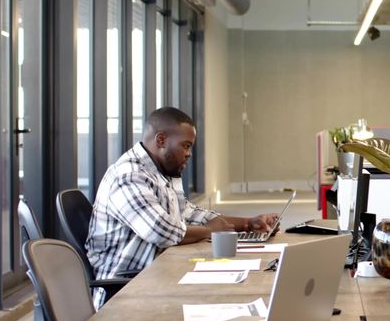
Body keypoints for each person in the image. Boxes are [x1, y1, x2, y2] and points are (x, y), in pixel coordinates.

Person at [87, 107, 279, 308]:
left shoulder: (161, 173)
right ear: (161, 140)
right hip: (127, 291)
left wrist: (248, 223)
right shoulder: (128, 175)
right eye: (185, 146)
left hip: (155, 274)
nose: (189, 154)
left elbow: (188, 213)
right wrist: (210, 231)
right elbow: (160, 231)